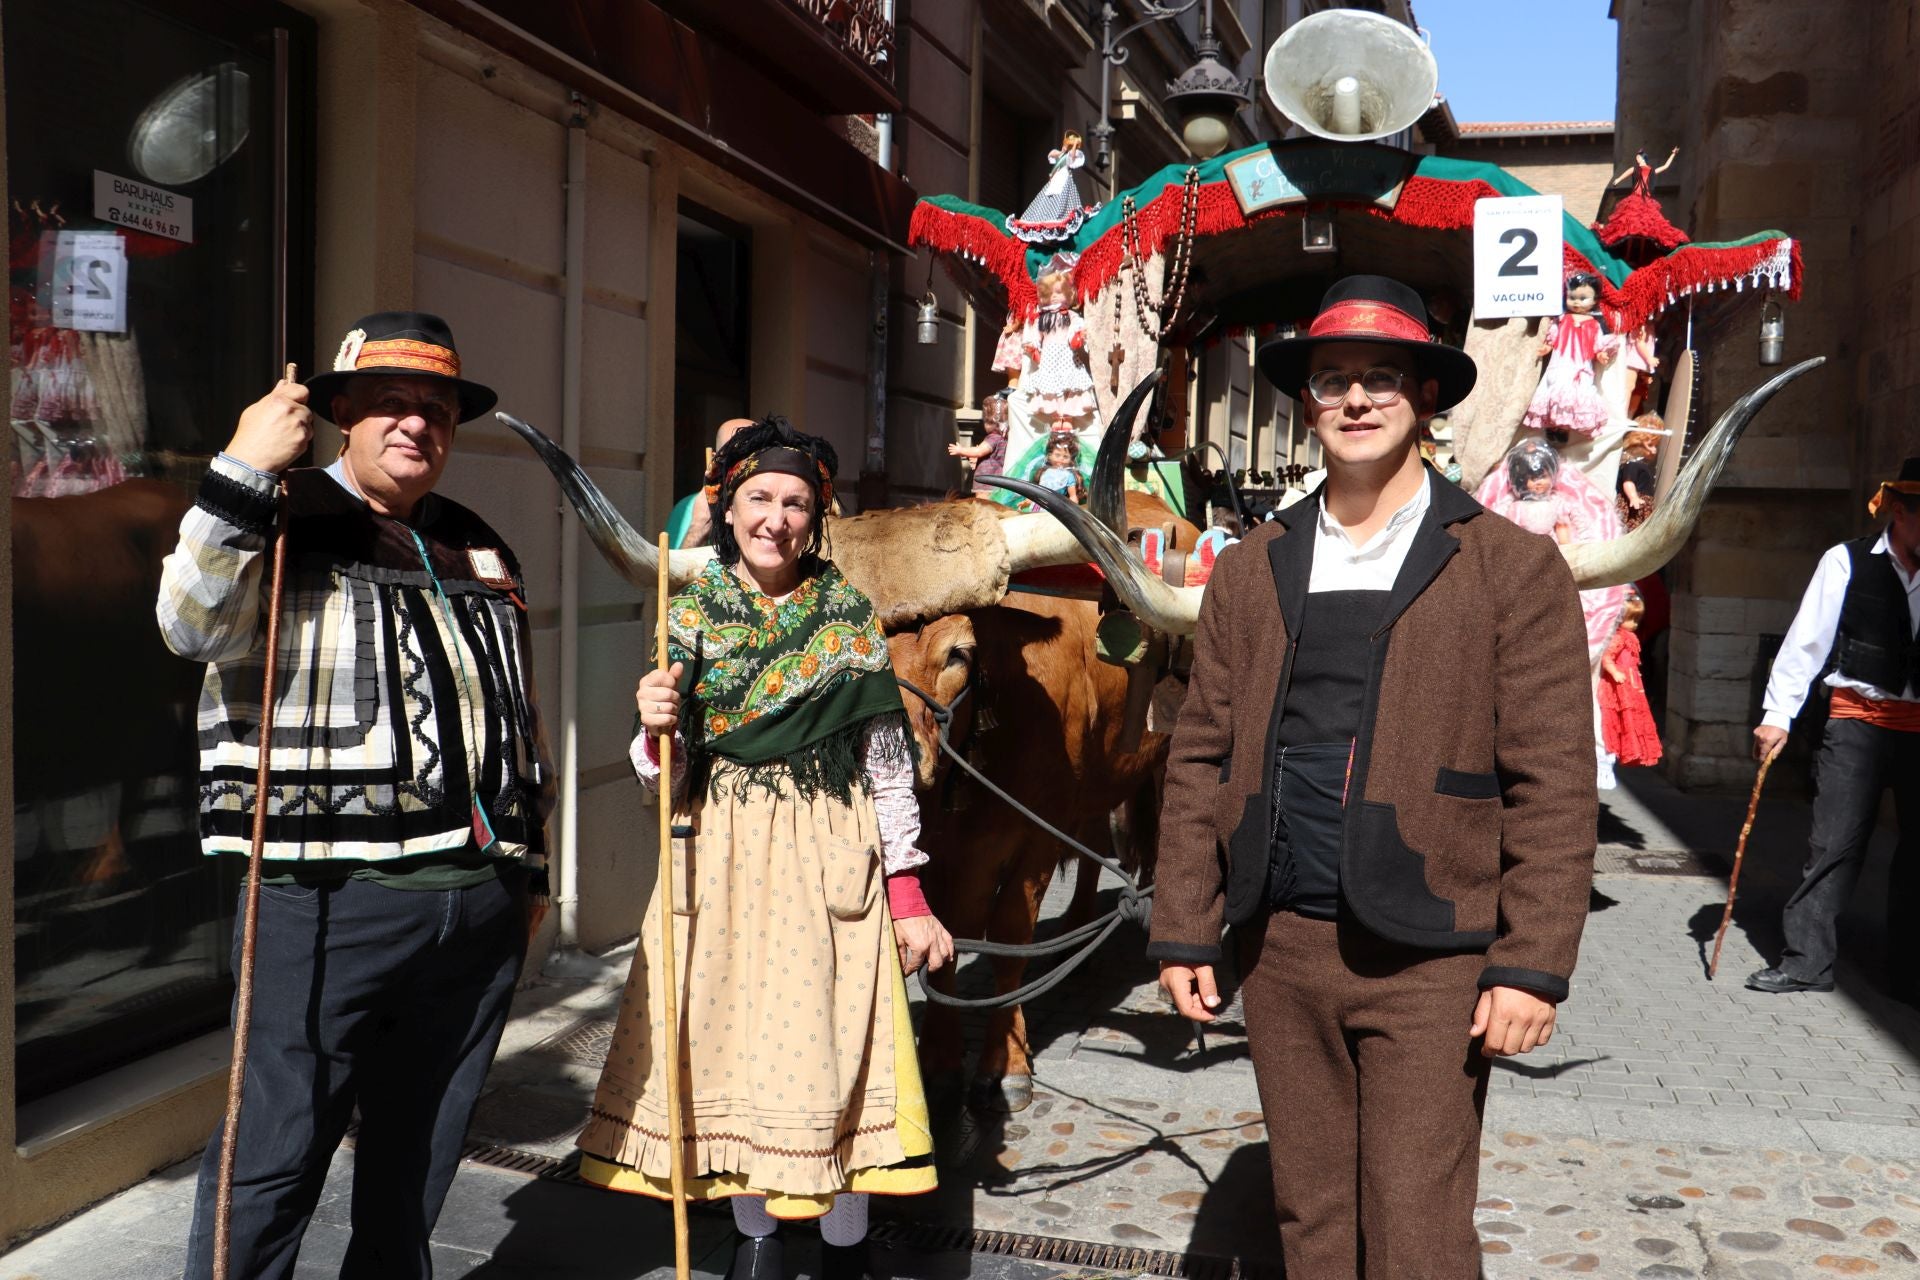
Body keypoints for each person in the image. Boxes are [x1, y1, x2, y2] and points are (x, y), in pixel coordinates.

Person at [1152, 277, 1597, 1278]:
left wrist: (1531, 962)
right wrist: (1184, 922)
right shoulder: (1251, 567)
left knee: (1416, 1227)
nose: (1356, 399)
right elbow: (1200, 754)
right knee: (1310, 1219)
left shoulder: (1511, 568)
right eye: (1333, 379)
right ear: (1308, 403)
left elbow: (1555, 784)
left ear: (1426, 398)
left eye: (1382, 377)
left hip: (1432, 951)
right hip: (1279, 945)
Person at [157, 312, 554, 1278]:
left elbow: (519, 716)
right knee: (274, 1153)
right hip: (324, 900)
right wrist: (242, 468)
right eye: (392, 404)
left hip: (477, 906)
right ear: (343, 415)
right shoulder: (280, 513)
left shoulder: (479, 544)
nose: (418, 424)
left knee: (417, 1161)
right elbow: (189, 625)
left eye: (437, 410)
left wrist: (531, 869)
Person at [576, 416, 954, 1280]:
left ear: (816, 518)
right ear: (728, 506)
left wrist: (908, 896)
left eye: (794, 503)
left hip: (829, 861)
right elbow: (662, 782)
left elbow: (886, 769)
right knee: (731, 1048)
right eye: (758, 499)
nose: (775, 520)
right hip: (720, 860)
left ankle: (845, 1251)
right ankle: (755, 1241)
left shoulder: (847, 616)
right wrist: (656, 732)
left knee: (835, 1056)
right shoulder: (688, 615)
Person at [1746, 456, 1920, 1001]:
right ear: (1899, 511)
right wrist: (1778, 716)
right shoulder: (1845, 562)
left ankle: (1910, 976)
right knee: (1833, 847)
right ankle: (1807, 962)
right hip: (1855, 724)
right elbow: (1806, 642)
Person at [1523, 271, 1621, 443]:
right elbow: (1553, 336)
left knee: (1575, 396)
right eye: (1572, 297)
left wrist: (1600, 354)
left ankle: (1563, 428)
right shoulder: (1561, 320)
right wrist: (1547, 346)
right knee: (1555, 390)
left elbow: (1597, 343)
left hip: (1580, 367)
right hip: (1559, 364)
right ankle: (1553, 425)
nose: (1576, 302)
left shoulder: (1594, 324)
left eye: (1583, 298)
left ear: (1595, 300)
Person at [666, 416, 752, 548]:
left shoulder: (774, 504)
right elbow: (672, 561)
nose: (745, 466)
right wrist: (699, 526)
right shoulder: (688, 508)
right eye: (735, 457)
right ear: (714, 460)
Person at [948, 388, 1011, 496]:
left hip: (987, 480)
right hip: (998, 479)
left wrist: (961, 450)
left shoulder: (993, 438)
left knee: (982, 501)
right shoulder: (1004, 439)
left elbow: (979, 451)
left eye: (987, 422)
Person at [1031, 431, 1085, 504]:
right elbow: (1036, 491)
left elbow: (1073, 496)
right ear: (1050, 455)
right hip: (1039, 504)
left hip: (1056, 504)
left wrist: (1073, 503)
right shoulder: (1043, 472)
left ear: (1071, 459)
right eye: (1057, 455)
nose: (1061, 459)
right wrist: (1029, 500)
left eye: (1065, 456)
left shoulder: (1068, 475)